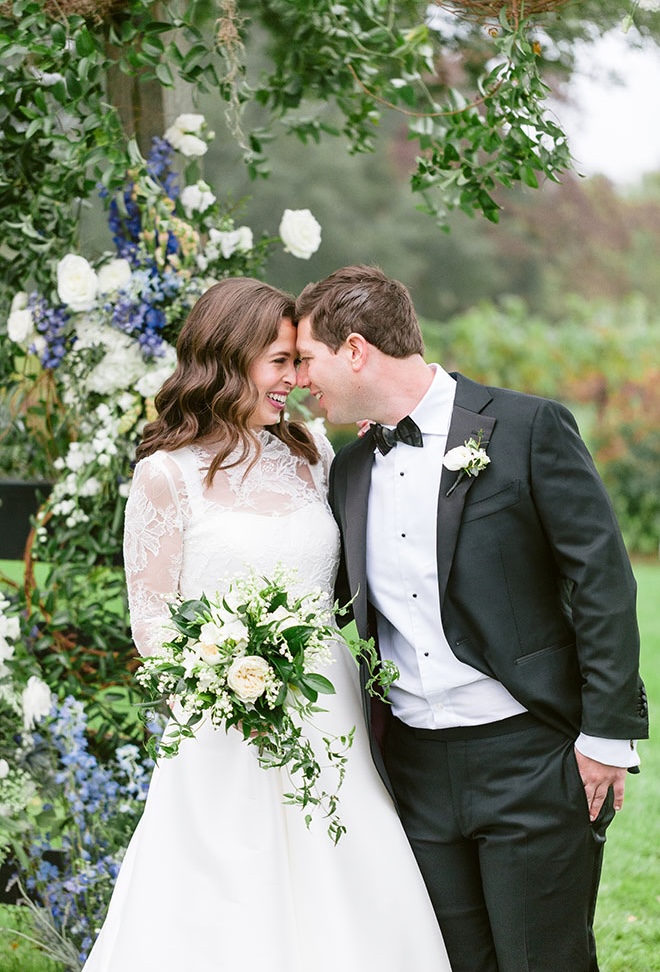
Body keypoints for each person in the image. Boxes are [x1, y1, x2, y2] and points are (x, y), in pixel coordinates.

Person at [82, 277, 451, 972]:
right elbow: (153, 622)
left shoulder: (312, 452)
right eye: (280, 362)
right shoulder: (167, 475)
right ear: (227, 357)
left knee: (349, 888)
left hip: (329, 713)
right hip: (226, 730)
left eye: (299, 361)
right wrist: (224, 685)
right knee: (226, 907)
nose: (297, 380)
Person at [294, 264, 649, 972]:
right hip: (413, 768)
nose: (302, 378)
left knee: (543, 960)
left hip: (529, 756)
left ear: (356, 349)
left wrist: (607, 734)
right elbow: (333, 598)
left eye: (306, 358)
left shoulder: (526, 428)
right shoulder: (350, 468)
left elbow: (602, 580)